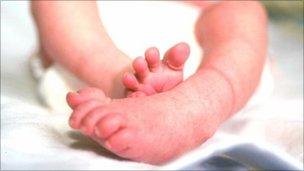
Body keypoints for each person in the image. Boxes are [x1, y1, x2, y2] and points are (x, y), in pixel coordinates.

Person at [32, 1, 267, 164]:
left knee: (244, 9)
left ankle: (202, 100)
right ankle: (123, 83)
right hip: (93, 54)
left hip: (208, 52)